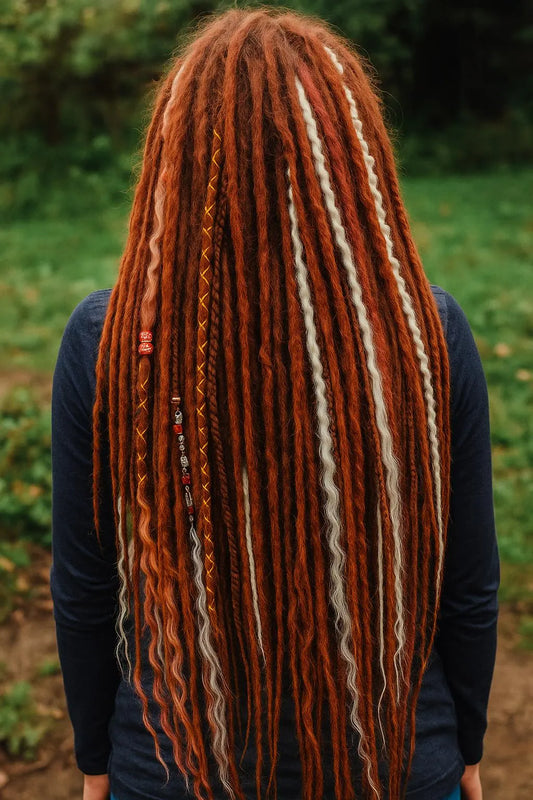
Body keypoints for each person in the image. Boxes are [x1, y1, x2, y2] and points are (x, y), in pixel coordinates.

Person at [50, 8, 499, 800]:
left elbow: (84, 590)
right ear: (353, 159)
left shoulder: (112, 342)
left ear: (177, 160)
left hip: (174, 770)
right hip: (393, 766)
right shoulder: (424, 334)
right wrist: (463, 742)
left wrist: (94, 757)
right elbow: (466, 583)